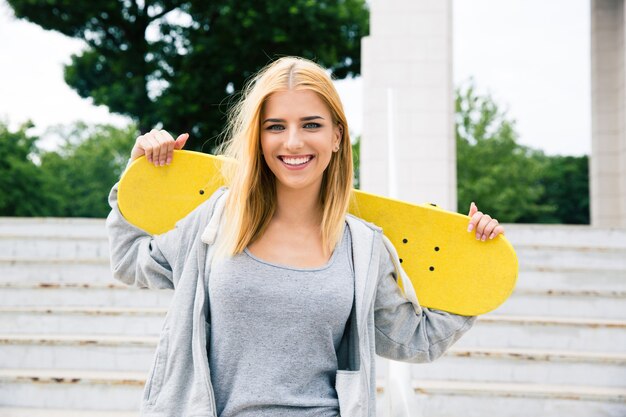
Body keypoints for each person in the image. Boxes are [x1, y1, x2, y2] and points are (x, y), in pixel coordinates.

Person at [106, 56, 504, 417]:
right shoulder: (216, 221)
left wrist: (475, 268)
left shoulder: (362, 247)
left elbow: (414, 340)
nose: (293, 141)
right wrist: (135, 176)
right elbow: (129, 261)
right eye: (275, 127)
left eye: (311, 124)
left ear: (336, 137)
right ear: (259, 140)